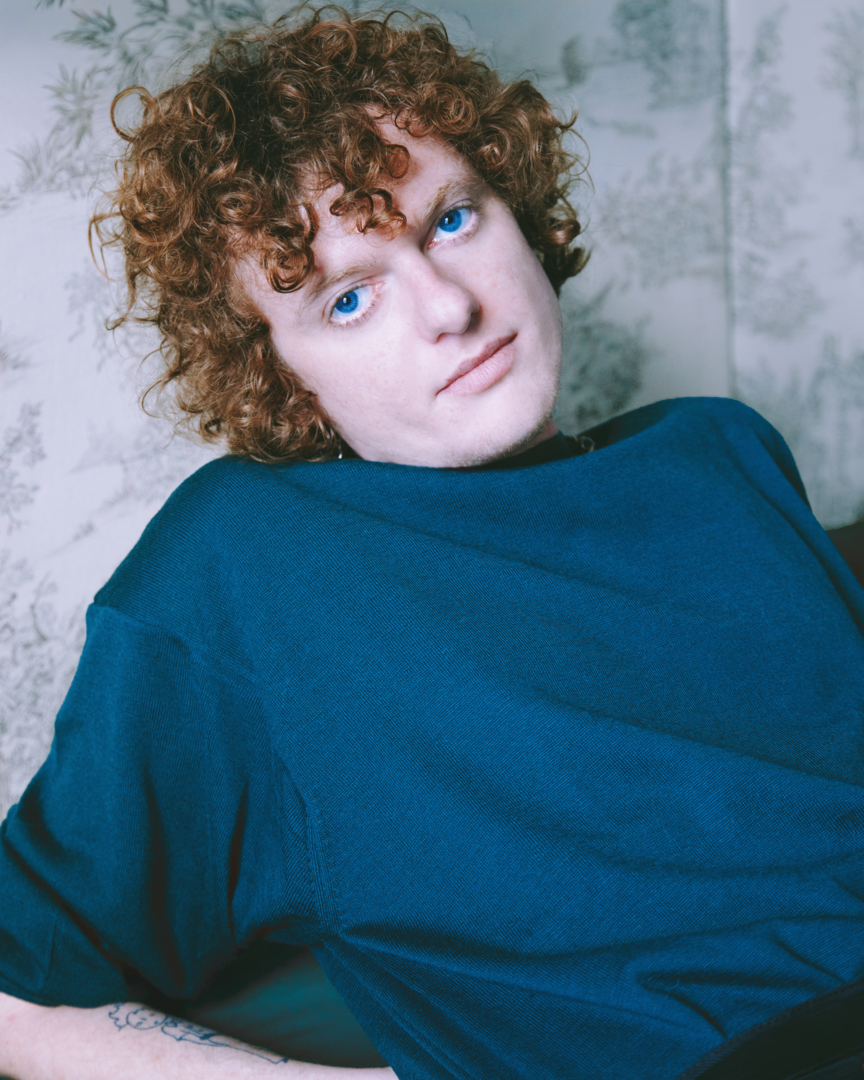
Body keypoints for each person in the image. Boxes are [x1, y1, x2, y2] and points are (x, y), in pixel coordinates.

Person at [1, 7, 864, 1080]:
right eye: (349, 299)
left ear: (519, 211)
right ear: (284, 378)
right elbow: (16, 989)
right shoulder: (247, 565)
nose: (449, 308)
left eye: (451, 221)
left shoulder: (721, 451)